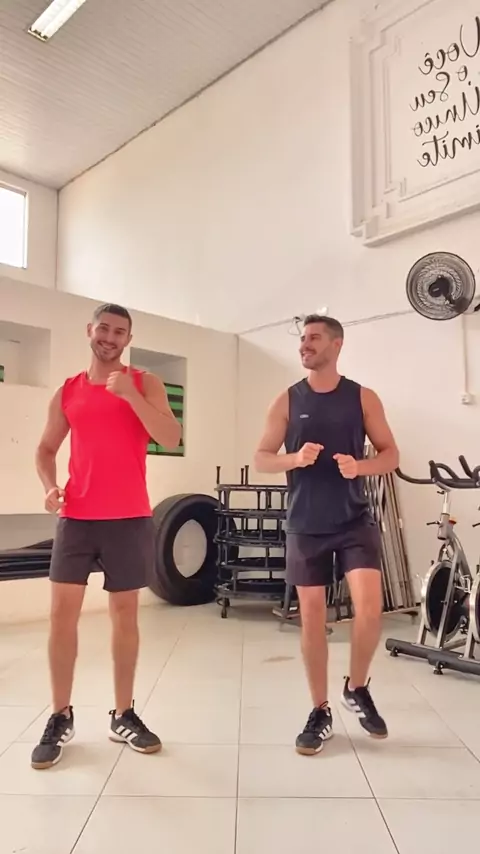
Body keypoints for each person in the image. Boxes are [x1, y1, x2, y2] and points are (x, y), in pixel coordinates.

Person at [31, 303, 181, 769]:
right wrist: (49, 486)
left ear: (127, 340)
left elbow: (170, 437)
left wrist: (131, 397)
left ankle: (123, 714)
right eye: (104, 328)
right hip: (76, 518)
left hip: (128, 517)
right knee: (61, 618)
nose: (110, 338)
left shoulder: (145, 383)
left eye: (120, 332)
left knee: (124, 618)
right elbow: (45, 449)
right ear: (89, 331)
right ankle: (60, 715)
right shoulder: (68, 391)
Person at [254, 314, 399, 755]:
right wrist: (294, 459)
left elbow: (391, 454)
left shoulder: (363, 397)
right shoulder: (287, 399)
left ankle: (356, 687)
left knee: (369, 611)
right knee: (313, 617)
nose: (305, 344)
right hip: (306, 523)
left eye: (314, 338)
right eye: (303, 338)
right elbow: (262, 457)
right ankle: (320, 711)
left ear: (336, 345)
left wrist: (361, 467)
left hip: (354, 520)